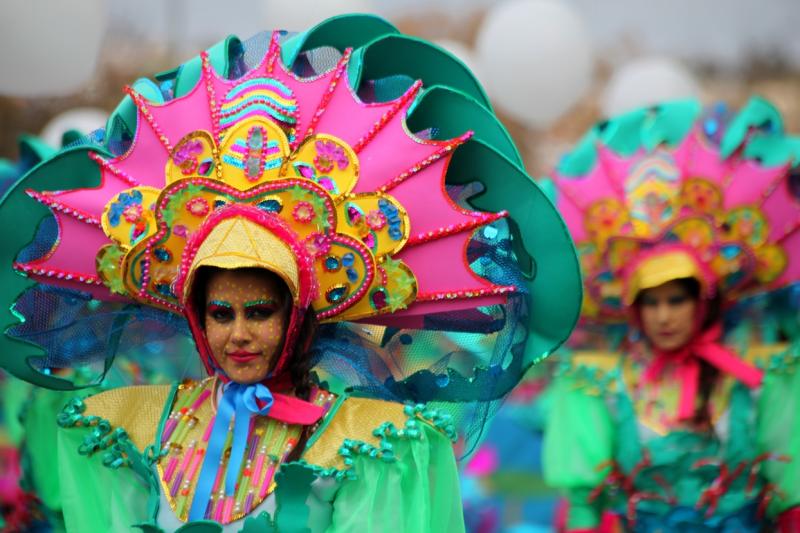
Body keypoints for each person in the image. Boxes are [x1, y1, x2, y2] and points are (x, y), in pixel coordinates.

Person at [0, 14, 581, 531]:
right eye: (220, 313)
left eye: (261, 311)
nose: (239, 335)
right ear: (195, 320)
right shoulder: (134, 427)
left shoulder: (365, 444)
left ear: (299, 314)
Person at [543, 98, 800, 532]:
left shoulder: (762, 373)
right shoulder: (598, 381)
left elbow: (791, 499)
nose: (663, 316)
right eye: (650, 301)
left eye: (677, 299)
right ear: (632, 307)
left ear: (705, 299)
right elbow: (583, 510)